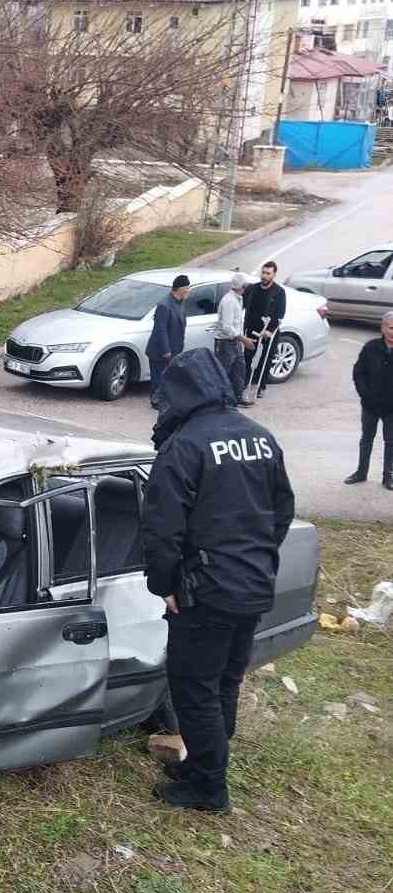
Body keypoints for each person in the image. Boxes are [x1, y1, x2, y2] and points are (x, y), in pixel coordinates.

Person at [141, 348, 295, 814]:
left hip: (205, 590)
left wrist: (165, 585)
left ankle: (208, 787)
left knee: (195, 687)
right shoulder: (261, 438)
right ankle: (205, 764)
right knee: (225, 679)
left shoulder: (184, 446)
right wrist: (256, 557)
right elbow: (282, 511)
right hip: (253, 583)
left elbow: (162, 528)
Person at [344, 309, 393, 489]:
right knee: (366, 440)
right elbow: (358, 372)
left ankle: (388, 477)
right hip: (370, 405)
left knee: (391, 442)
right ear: (383, 328)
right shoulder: (370, 347)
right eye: (391, 328)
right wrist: (365, 394)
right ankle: (361, 472)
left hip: (392, 408)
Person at [242, 260, 286, 402]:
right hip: (252, 330)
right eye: (263, 272)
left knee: (265, 359)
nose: (264, 276)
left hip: (269, 332)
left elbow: (280, 313)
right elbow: (242, 304)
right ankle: (245, 383)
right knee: (248, 357)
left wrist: (270, 331)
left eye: (268, 273)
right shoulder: (252, 289)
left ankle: (261, 386)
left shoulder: (279, 292)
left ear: (274, 274)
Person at [146, 274, 190, 407]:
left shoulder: (180, 303)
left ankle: (164, 400)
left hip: (175, 348)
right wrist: (166, 350)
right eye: (187, 288)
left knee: (168, 377)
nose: (188, 291)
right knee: (159, 377)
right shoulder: (164, 305)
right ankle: (155, 401)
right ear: (180, 288)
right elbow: (161, 329)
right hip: (160, 350)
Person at [213, 270, 249, 403]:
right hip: (225, 343)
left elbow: (236, 323)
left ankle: (238, 397)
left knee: (239, 369)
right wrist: (244, 339)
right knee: (223, 372)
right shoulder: (229, 301)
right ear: (242, 287)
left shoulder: (238, 298)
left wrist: (240, 340)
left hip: (235, 342)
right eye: (245, 286)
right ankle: (219, 401)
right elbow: (227, 327)